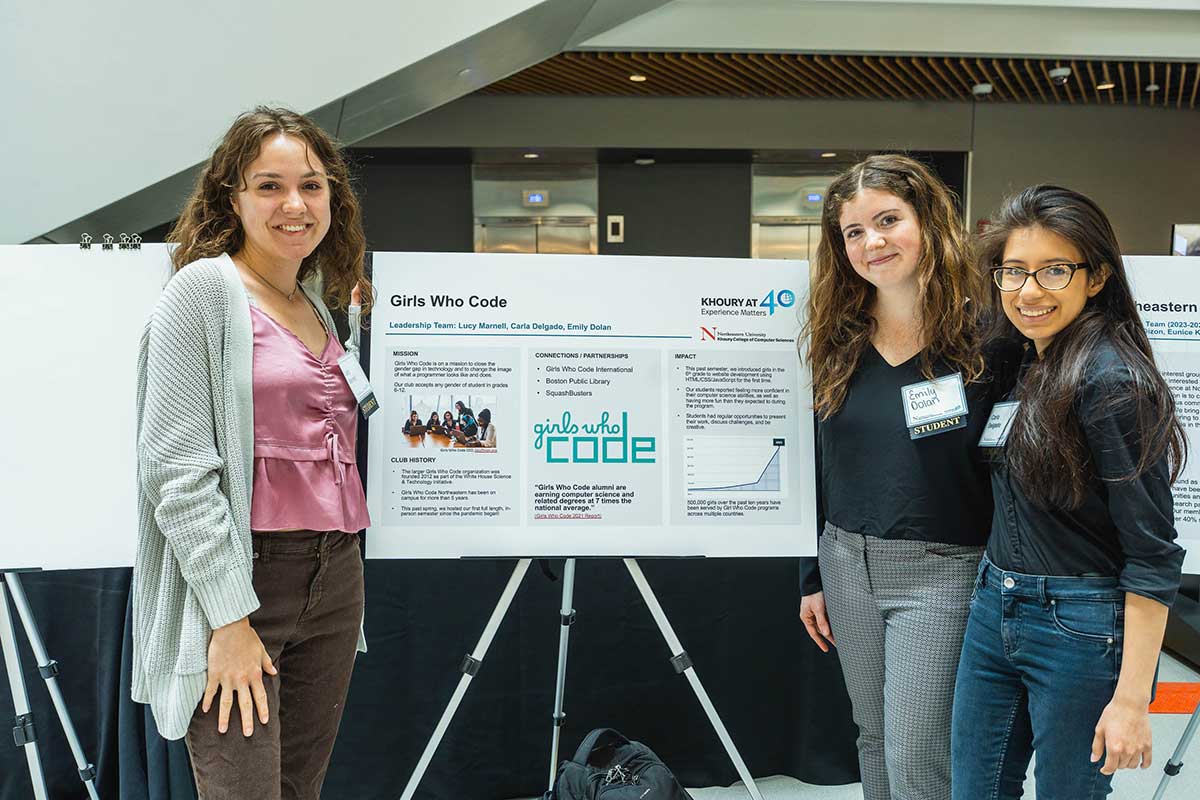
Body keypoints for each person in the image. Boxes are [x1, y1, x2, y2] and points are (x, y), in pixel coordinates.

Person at [132, 106, 373, 800]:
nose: (295, 204)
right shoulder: (202, 291)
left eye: (313, 185)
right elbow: (176, 474)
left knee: (299, 791)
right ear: (230, 198)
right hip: (243, 584)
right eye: (269, 185)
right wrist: (229, 620)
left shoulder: (315, 304)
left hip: (334, 578)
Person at [951, 186, 1186, 799]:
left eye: (1055, 270)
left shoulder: (1111, 382)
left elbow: (1154, 553)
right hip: (993, 605)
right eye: (1014, 272)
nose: (1030, 292)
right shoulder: (1024, 361)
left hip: (1080, 626)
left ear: (1098, 275)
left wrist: (1133, 700)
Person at [798, 154, 1012, 800]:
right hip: (845, 562)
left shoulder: (988, 337)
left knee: (918, 751)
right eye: (854, 232)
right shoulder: (836, 338)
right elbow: (821, 463)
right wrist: (812, 576)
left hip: (942, 568)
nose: (872, 243)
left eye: (888, 220)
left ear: (929, 222)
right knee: (872, 736)